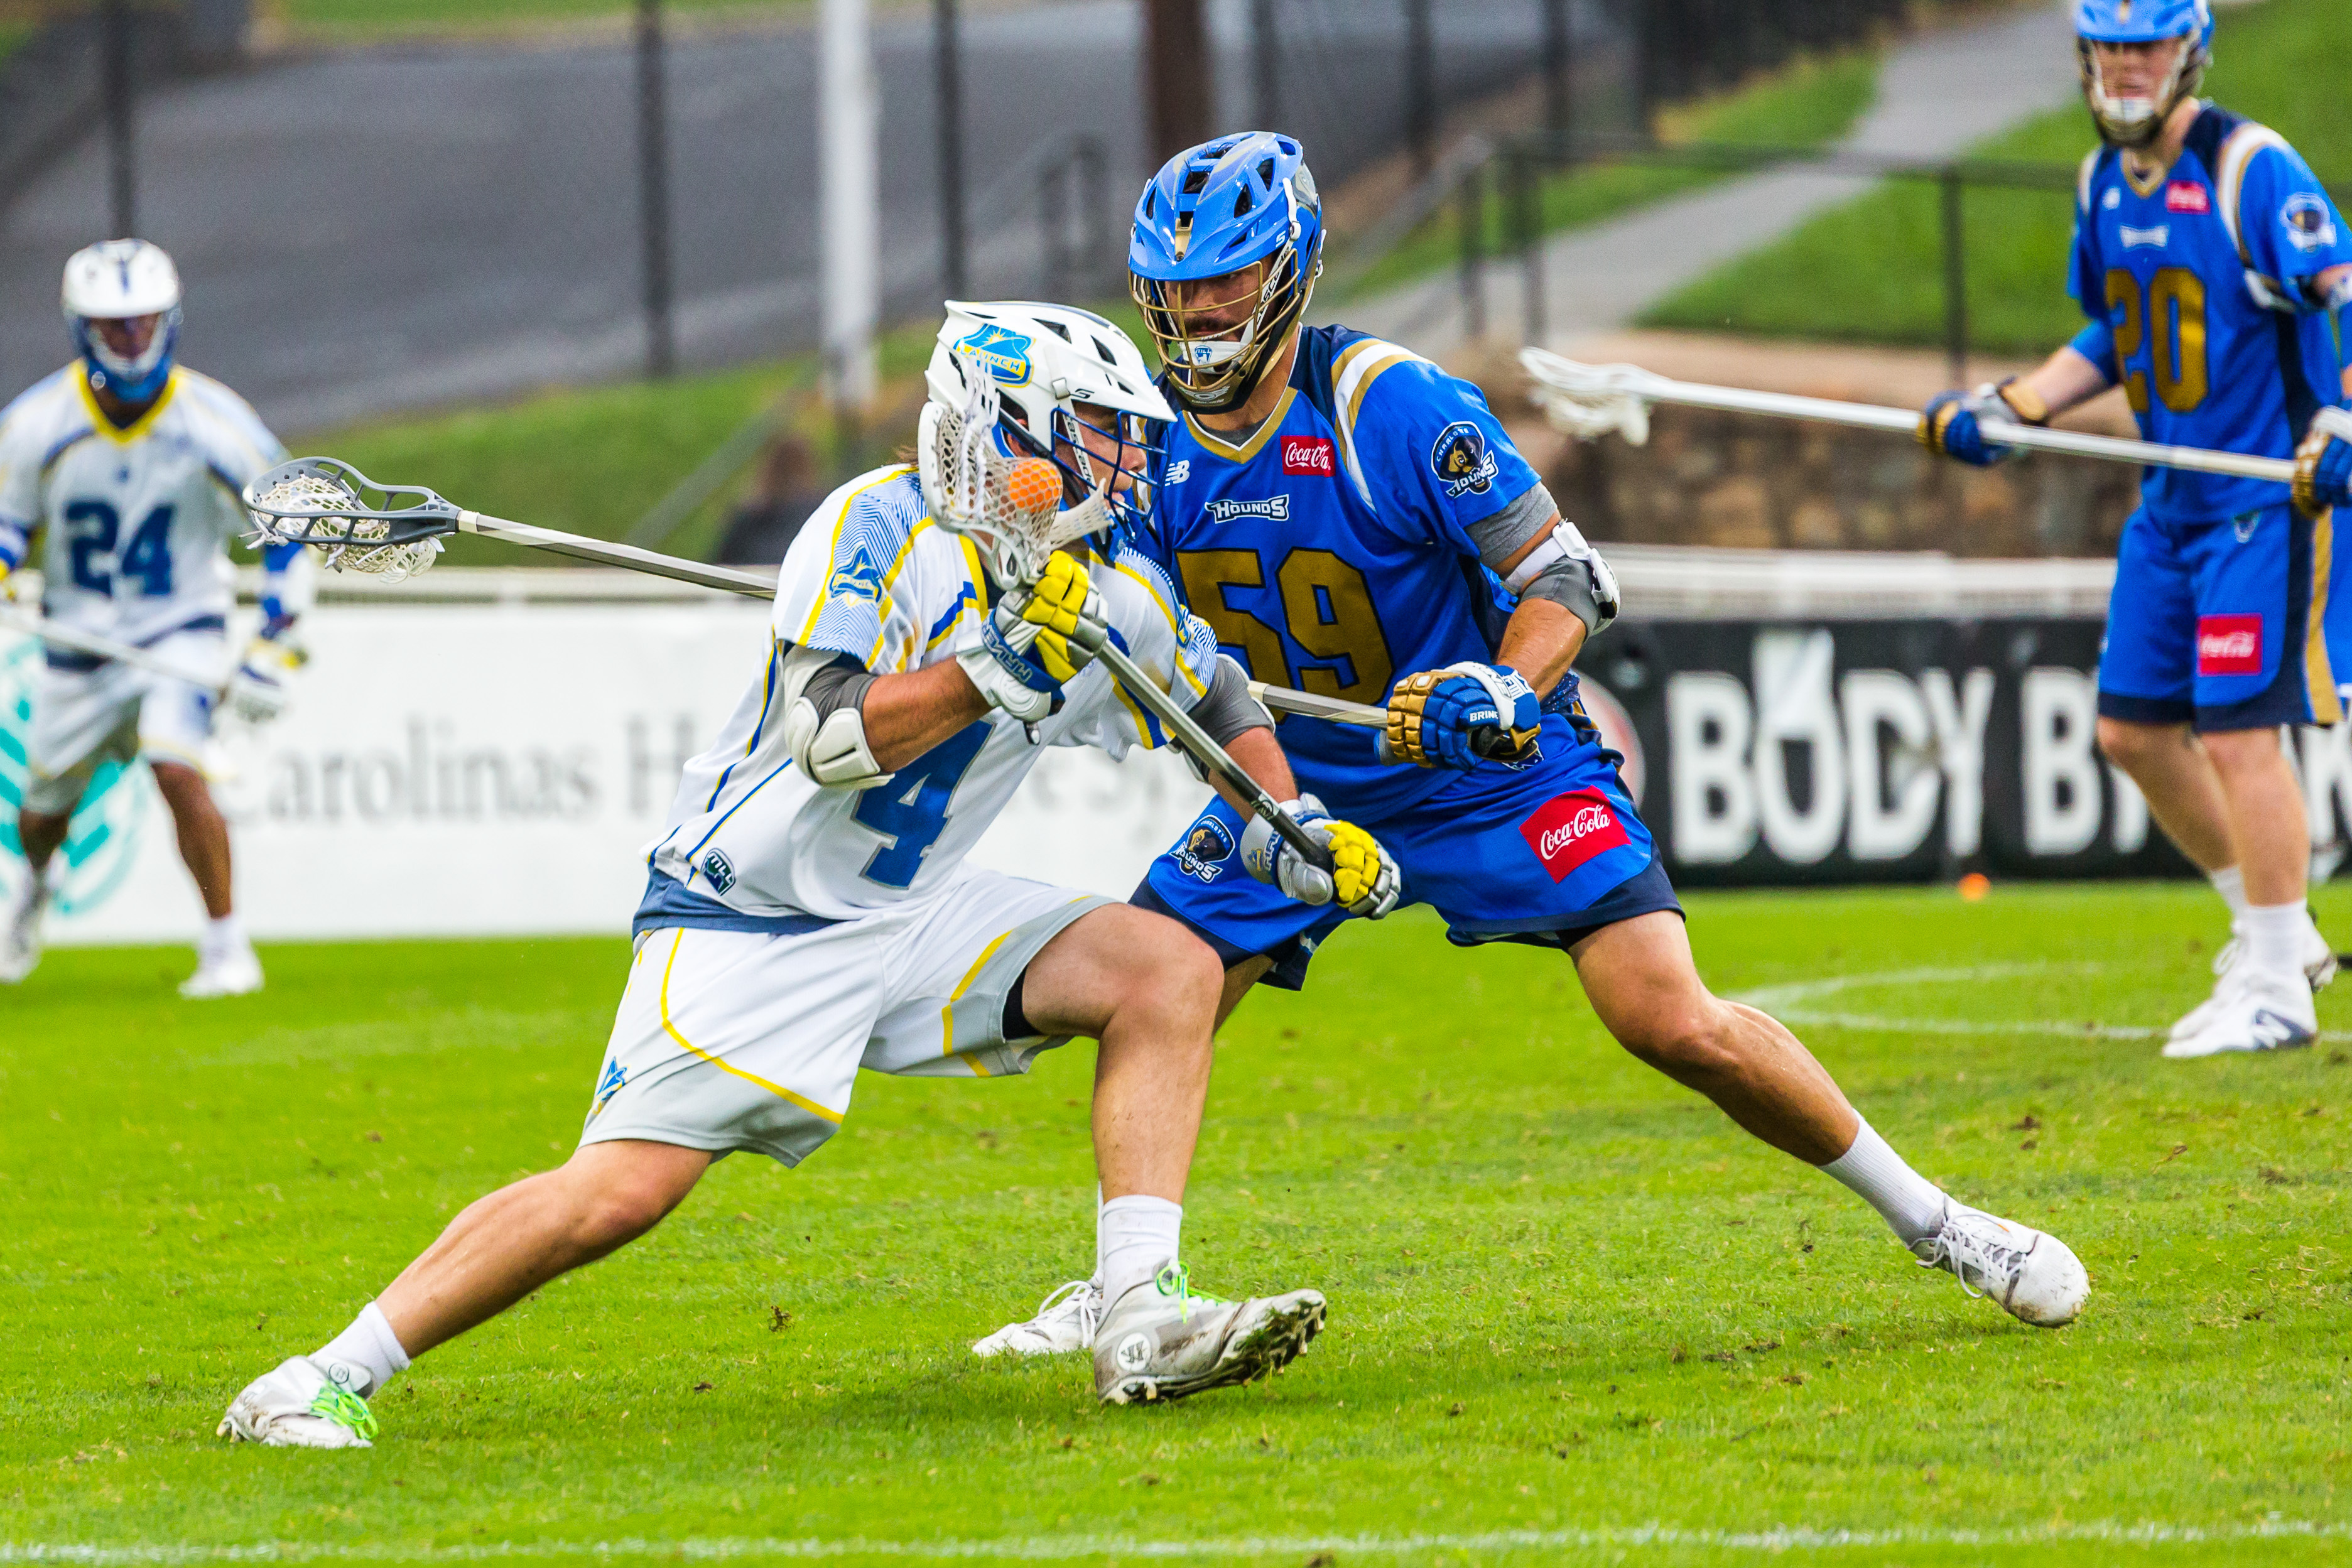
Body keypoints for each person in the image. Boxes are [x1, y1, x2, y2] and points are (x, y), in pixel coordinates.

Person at [973, 133, 2090, 1361]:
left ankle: (1940, 1223)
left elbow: (1565, 573)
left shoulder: (1386, 406)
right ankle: (1128, 1284)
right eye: (1173, 291)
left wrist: (1499, 683)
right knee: (1157, 986)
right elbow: (1166, 658)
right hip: (1299, 779)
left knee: (1670, 1019)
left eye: (1224, 284)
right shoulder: (1146, 442)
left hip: (1485, 771)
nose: (1195, 315)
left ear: (1289, 275)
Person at [217, 302, 1403, 1447]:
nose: (1129, 459)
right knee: (617, 1194)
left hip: (909, 910)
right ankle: (315, 1376)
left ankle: (1137, 1312)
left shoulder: (1106, 573)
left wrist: (1282, 822)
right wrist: (991, 664)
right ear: (1011, 423)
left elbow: (1214, 693)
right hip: (755, 913)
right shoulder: (874, 528)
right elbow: (829, 740)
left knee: (1166, 968)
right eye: (1100, 429)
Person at [1921, 0, 2352, 1057]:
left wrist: (2341, 418)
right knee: (2131, 729)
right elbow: (2116, 329)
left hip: (2265, 495)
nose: (2124, 70)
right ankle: (2274, 939)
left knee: (2243, 729)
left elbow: (2341, 297)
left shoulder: (2254, 168)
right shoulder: (2100, 182)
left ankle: (2279, 987)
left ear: (2188, 53)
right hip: (2171, 505)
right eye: (2108, 51)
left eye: (2144, 49)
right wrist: (2014, 407)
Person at [0, 240, 309, 997]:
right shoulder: (37, 423)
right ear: (82, 329)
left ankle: (227, 946)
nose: (133, 341)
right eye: (115, 327)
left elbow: (288, 531)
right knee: (41, 815)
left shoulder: (216, 421)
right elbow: (8, 526)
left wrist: (277, 645)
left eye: (143, 324)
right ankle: (32, 893)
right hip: (80, 647)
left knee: (177, 764)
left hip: (183, 631)